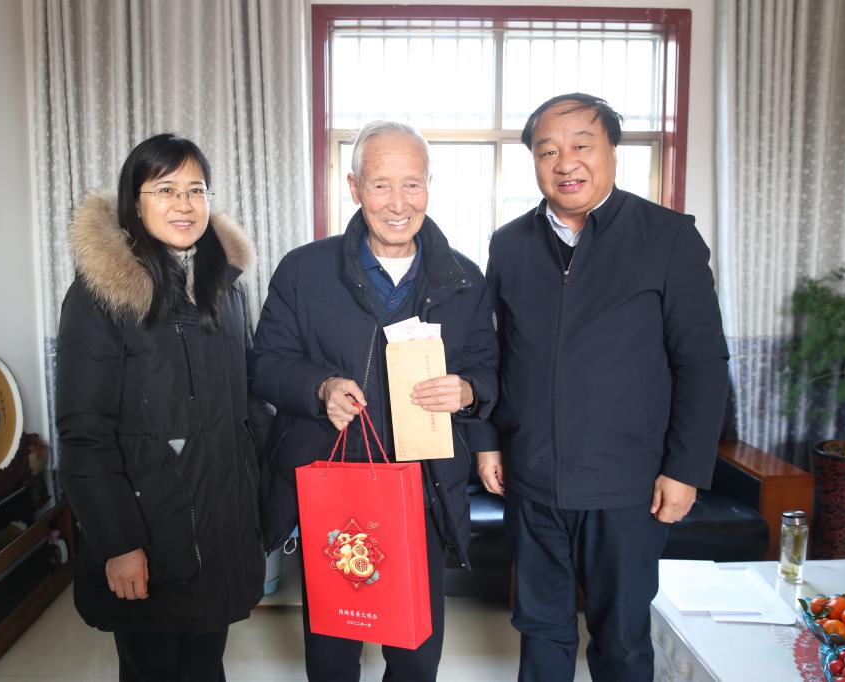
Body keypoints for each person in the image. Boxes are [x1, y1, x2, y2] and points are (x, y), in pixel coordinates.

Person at [475, 94, 729, 681]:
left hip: (627, 486)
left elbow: (702, 362)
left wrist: (685, 469)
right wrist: (487, 441)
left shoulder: (667, 237)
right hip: (532, 479)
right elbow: (492, 353)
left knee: (621, 640)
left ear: (613, 150)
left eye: (582, 145)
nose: (566, 163)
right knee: (540, 631)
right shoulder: (509, 245)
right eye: (548, 151)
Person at [251, 120, 498, 682]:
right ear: (354, 187)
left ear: (429, 186)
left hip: (423, 490)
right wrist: (319, 387)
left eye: (412, 184)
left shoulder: (464, 278)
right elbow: (265, 365)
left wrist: (467, 390)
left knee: (416, 656)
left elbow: (487, 369)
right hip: (333, 490)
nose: (398, 203)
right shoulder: (304, 270)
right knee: (333, 652)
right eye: (381, 185)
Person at [56, 133, 265, 682]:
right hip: (149, 530)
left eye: (196, 190)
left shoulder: (225, 287)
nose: (184, 204)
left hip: (219, 526)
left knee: (205, 667)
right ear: (135, 200)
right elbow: (84, 433)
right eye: (166, 189)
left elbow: (245, 406)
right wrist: (119, 543)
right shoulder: (101, 295)